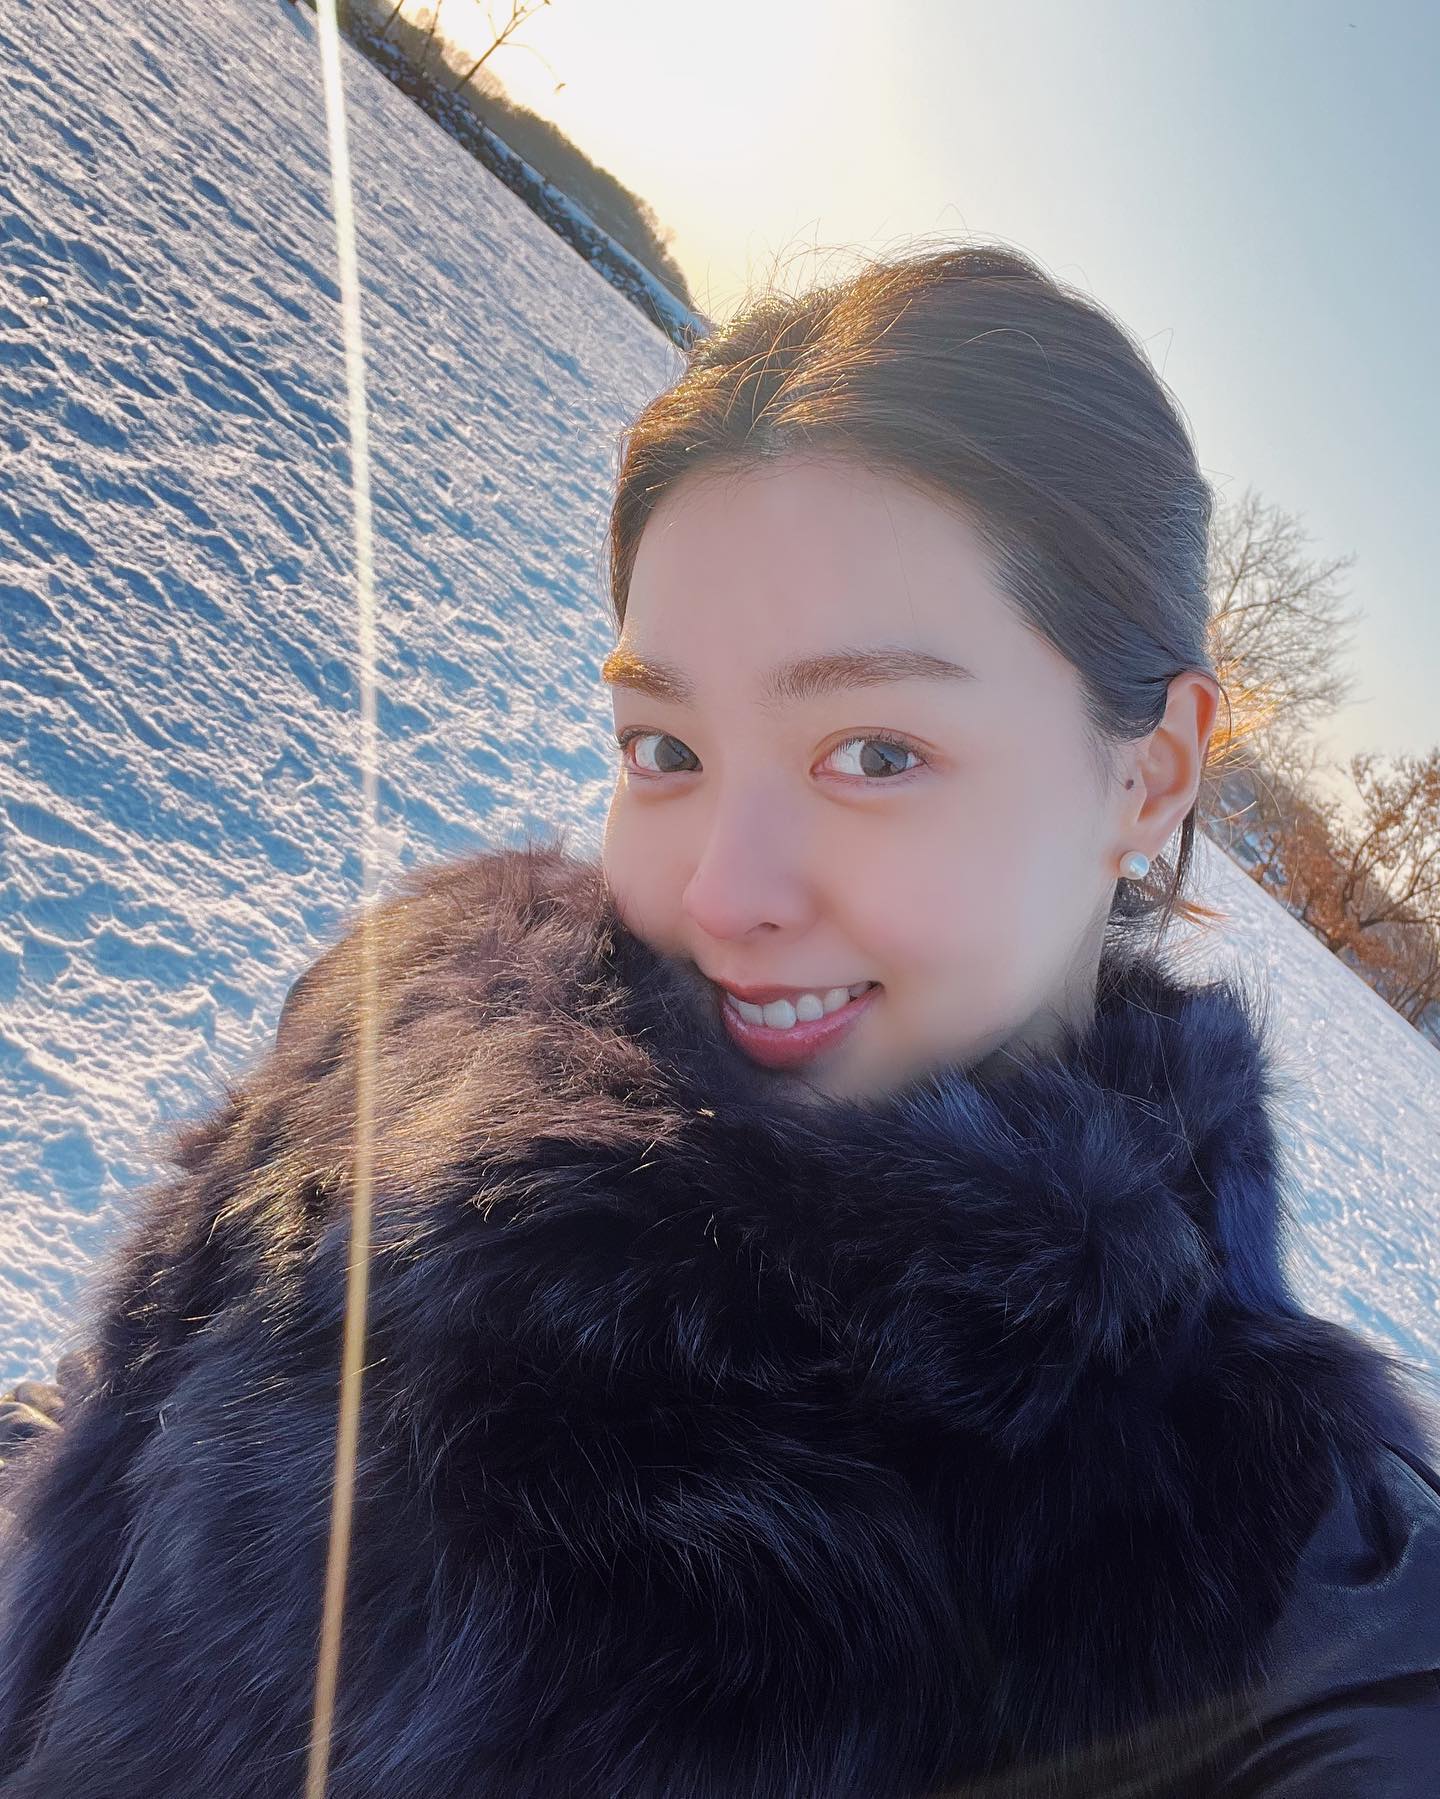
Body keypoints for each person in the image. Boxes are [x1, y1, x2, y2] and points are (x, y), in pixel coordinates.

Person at [2, 241, 1439, 1796]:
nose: (722, 892)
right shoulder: (408, 1040)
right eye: (664, 748)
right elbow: (102, 1448)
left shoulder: (1286, 1583)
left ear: (1148, 776)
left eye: (876, 753)